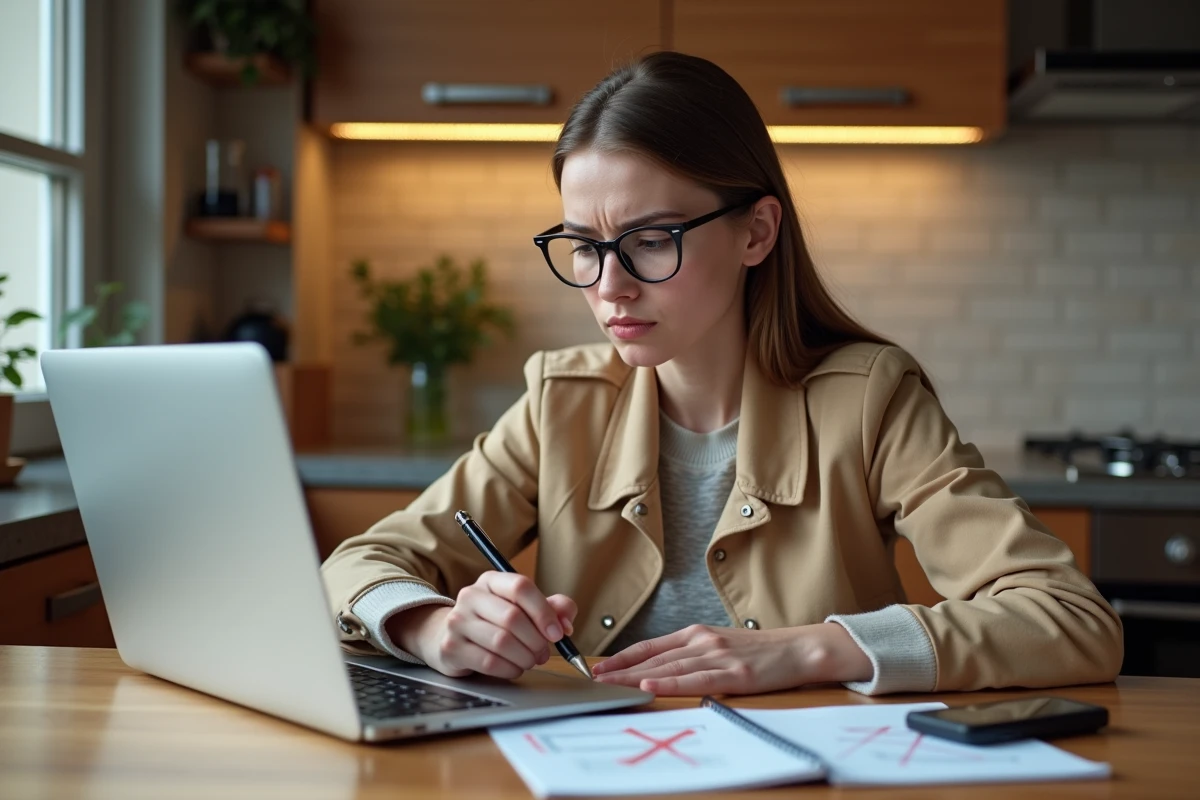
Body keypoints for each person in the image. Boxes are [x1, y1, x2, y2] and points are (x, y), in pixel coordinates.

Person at [320, 52, 1122, 697]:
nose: (609, 286)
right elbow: (358, 565)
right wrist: (431, 626)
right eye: (585, 246)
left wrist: (813, 649)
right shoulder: (561, 402)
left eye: (652, 239)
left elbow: (1069, 619)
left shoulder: (870, 399)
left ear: (756, 232)